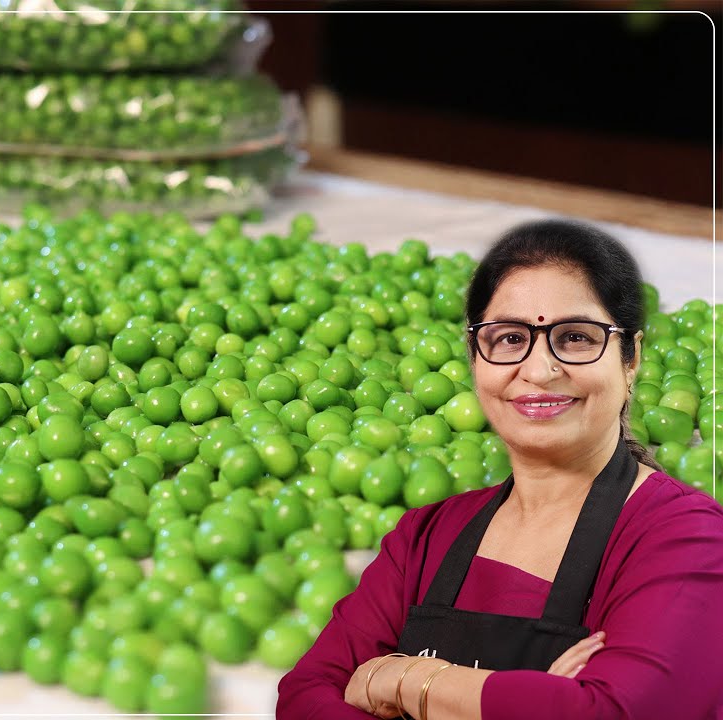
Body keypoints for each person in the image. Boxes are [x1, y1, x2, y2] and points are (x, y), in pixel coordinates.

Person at [276, 219, 723, 719]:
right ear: (474, 359)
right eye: (509, 338)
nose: (538, 370)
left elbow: (612, 713)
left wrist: (407, 680)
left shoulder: (688, 538)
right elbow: (305, 695)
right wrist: (531, 698)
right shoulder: (423, 536)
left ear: (630, 359)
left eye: (575, 336)